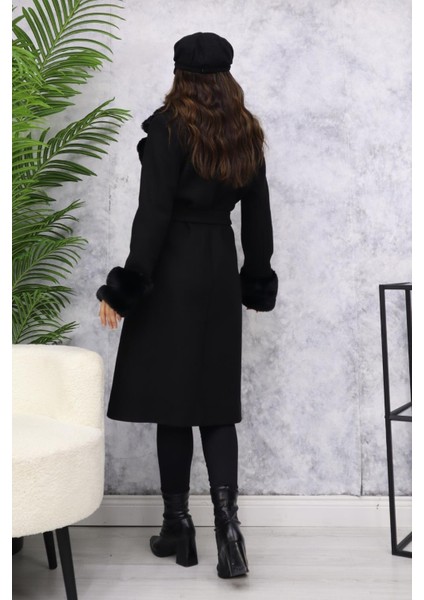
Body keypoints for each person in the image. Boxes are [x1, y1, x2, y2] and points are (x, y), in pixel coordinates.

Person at [96, 31, 278, 579]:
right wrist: (255, 276)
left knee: (171, 400)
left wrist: (126, 288)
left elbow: (153, 214)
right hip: (219, 268)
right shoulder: (245, 131)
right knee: (216, 404)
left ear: (180, 74)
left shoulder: (169, 128)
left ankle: (177, 525)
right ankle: (229, 528)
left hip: (172, 270)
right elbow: (258, 215)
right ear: (227, 75)